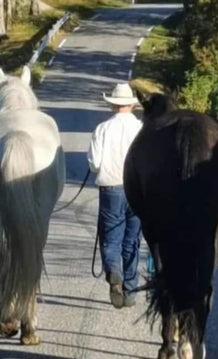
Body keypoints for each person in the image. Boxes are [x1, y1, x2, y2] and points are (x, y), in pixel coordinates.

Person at [88, 82, 143, 309]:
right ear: (131, 105)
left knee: (111, 238)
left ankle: (114, 274)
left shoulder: (102, 129)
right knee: (132, 240)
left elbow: (94, 163)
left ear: (112, 105)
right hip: (138, 190)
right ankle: (130, 290)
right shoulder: (142, 129)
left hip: (111, 189)